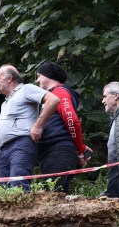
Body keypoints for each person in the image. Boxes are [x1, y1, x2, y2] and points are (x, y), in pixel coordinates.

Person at [0, 65, 60, 192]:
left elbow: (53, 100)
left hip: (21, 144)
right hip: (4, 149)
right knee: (4, 191)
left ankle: (22, 211)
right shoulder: (5, 102)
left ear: (9, 78)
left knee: (18, 186)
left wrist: (38, 126)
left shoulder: (26, 89)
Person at [35, 62, 92, 193]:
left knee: (52, 196)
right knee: (57, 195)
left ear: (48, 75)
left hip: (58, 151)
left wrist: (80, 148)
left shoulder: (59, 92)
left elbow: (72, 120)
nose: (37, 80)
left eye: (39, 76)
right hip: (52, 152)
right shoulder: (51, 95)